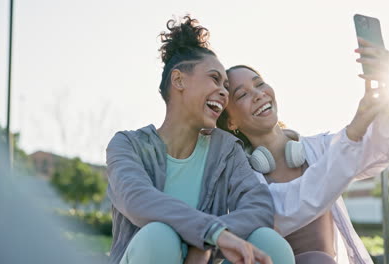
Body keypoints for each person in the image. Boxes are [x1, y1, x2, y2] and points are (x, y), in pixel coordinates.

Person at [105, 16, 295, 264]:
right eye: (215, 79)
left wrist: (208, 243)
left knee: (270, 245)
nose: (224, 92)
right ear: (179, 80)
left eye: (226, 86)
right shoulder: (127, 145)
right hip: (148, 254)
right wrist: (210, 233)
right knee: (158, 237)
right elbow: (136, 199)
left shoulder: (225, 150)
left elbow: (258, 206)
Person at [216, 38, 389, 264]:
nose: (258, 94)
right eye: (242, 95)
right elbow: (287, 208)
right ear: (230, 122)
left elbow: (376, 152)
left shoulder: (319, 148)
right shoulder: (240, 177)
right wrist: (352, 133)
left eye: (259, 84)